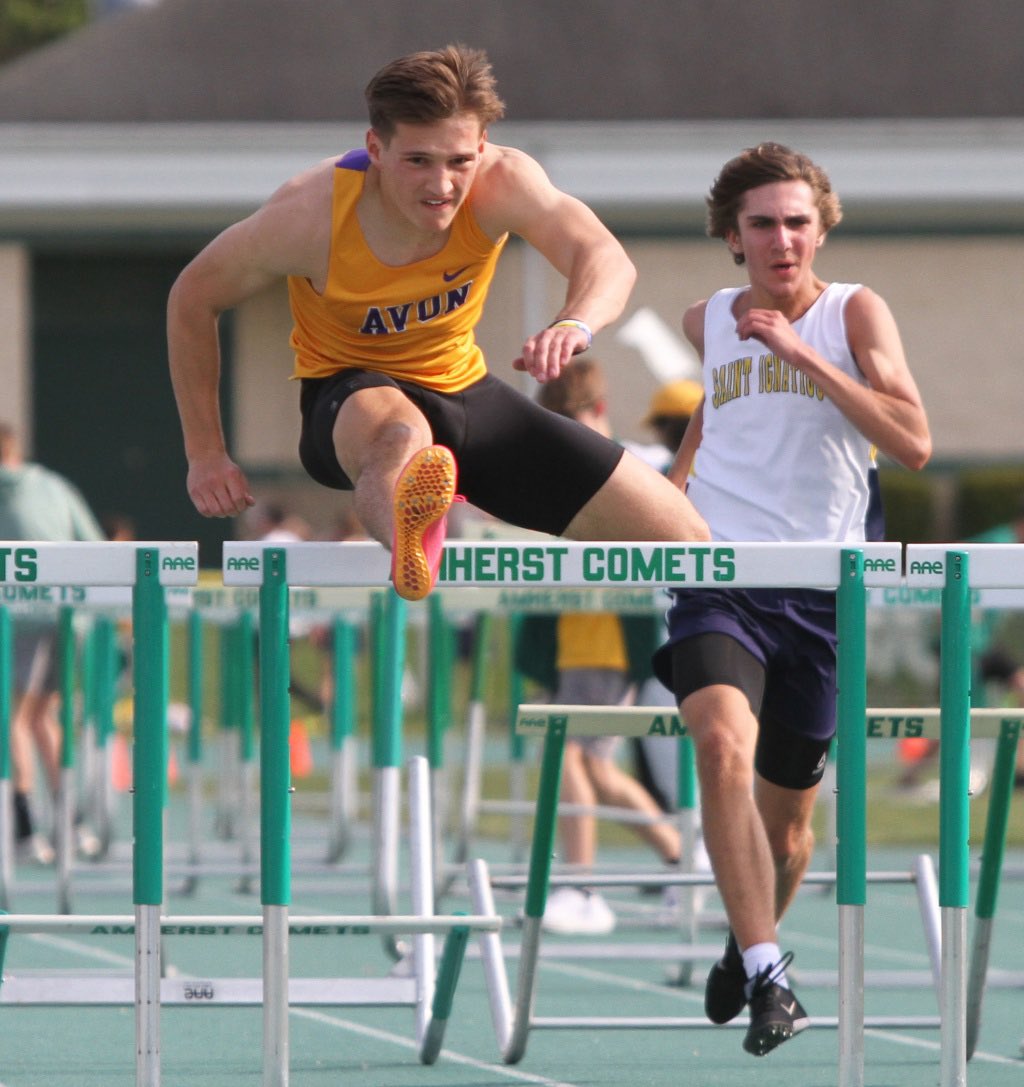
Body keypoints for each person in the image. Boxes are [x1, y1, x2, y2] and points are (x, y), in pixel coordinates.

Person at [167, 44, 708, 603]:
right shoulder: (308, 216)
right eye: (418, 161)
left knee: (684, 539)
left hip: (462, 391)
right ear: (375, 148)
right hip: (348, 395)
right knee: (404, 434)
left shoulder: (505, 182)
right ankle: (411, 539)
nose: (441, 186)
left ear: (482, 147)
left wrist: (576, 322)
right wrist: (205, 452)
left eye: (459, 162)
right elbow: (192, 298)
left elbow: (603, 256)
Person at [653, 143, 932, 1056]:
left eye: (798, 222)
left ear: (821, 229)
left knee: (789, 834)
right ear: (733, 237)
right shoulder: (708, 319)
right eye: (764, 224)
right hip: (720, 577)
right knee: (719, 743)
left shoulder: (854, 312)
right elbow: (719, 409)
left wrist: (801, 355)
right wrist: (673, 485)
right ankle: (771, 970)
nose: (783, 239)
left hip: (819, 592)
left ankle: (746, 943)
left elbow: (914, 441)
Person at [513, 360, 682, 936]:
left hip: (609, 639)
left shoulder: (633, 467)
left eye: (571, 421)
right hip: (566, 637)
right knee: (596, 769)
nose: (563, 436)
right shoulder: (550, 470)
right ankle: (684, 861)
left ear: (599, 412)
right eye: (553, 426)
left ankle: (582, 887)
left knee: (566, 754)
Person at [0, 421, 105, 864]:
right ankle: (70, 824)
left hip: (16, 616)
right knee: (43, 718)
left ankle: (24, 829)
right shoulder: (54, 486)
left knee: (14, 719)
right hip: (64, 614)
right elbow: (95, 545)